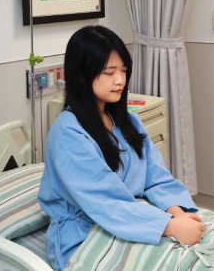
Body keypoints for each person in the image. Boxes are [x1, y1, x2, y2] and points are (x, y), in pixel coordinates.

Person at [38, 26, 204, 271]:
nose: (120, 80)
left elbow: (156, 177)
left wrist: (177, 214)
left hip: (134, 218)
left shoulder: (129, 122)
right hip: (84, 234)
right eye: (109, 72)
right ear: (82, 75)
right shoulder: (68, 132)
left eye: (124, 71)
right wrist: (168, 226)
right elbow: (106, 203)